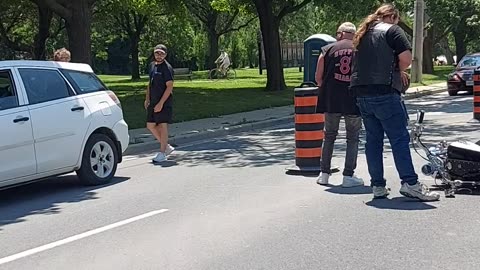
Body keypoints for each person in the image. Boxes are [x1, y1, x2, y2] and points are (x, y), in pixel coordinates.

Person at [350, 4, 440, 201]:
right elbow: (406, 59)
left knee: (373, 141)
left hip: (362, 93)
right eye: (397, 19)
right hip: (385, 91)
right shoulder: (392, 30)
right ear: (392, 17)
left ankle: (378, 186)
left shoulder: (362, 33)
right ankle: (410, 183)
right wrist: (398, 70)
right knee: (399, 139)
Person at [315, 22, 364, 188]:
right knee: (353, 138)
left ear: (341, 34)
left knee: (329, 136)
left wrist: (327, 88)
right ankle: (348, 176)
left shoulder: (327, 50)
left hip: (331, 99)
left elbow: (318, 78)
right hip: (353, 99)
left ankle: (324, 174)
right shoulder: (360, 49)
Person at [145, 44, 175, 163]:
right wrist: (147, 98)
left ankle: (162, 153)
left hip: (164, 102)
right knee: (150, 125)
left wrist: (161, 103)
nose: (159, 55)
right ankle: (166, 146)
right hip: (153, 101)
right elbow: (149, 83)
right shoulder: (152, 65)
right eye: (157, 53)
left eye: (161, 53)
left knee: (163, 125)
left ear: (165, 55)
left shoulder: (167, 68)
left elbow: (169, 87)